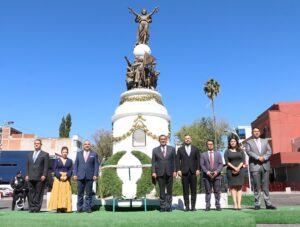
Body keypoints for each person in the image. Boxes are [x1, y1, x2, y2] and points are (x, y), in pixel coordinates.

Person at [246, 128, 276, 210]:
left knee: (266, 186)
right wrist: (258, 157)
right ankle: (257, 204)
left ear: (259, 133)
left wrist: (264, 157)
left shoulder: (265, 141)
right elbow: (248, 152)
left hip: (265, 165)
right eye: (254, 132)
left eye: (258, 131)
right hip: (255, 166)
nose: (256, 133)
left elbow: (269, 151)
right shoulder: (249, 142)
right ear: (252, 133)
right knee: (256, 186)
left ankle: (268, 204)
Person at [73, 140, 100, 213]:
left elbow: (96, 166)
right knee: (80, 193)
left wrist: (95, 174)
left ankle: (88, 208)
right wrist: (75, 174)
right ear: (83, 145)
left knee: (89, 193)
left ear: (90, 145)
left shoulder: (94, 154)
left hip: (90, 176)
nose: (87, 145)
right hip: (80, 176)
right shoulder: (78, 154)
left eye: (88, 144)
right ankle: (79, 208)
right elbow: (75, 165)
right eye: (85, 144)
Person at [151, 135, 176, 212]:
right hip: (160, 172)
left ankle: (168, 206)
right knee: (161, 190)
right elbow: (153, 162)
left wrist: (175, 171)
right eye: (161, 139)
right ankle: (162, 206)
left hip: (170, 172)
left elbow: (174, 161)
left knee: (169, 190)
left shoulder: (172, 149)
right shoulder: (155, 150)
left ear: (166, 140)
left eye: (164, 139)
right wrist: (153, 172)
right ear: (159, 140)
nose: (163, 140)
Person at [176, 135, 200, 211]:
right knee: (185, 190)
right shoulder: (180, 149)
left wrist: (198, 169)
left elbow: (198, 160)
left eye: (188, 138)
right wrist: (178, 170)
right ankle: (187, 206)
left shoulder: (195, 149)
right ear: (184, 140)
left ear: (191, 139)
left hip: (193, 172)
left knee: (194, 190)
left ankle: (193, 207)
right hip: (184, 172)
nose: (187, 140)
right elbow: (177, 160)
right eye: (186, 138)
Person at [25, 139, 49, 213]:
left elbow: (46, 166)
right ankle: (32, 207)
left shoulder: (45, 154)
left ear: (41, 145)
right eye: (35, 143)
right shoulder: (29, 155)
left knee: (39, 193)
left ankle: (37, 208)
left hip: (40, 177)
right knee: (31, 193)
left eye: (38, 143)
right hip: (30, 177)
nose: (36, 144)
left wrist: (44, 175)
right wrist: (26, 175)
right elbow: (27, 166)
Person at [200, 139, 223, 211]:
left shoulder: (218, 154)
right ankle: (207, 206)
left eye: (211, 144)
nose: (210, 145)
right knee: (208, 191)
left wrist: (217, 171)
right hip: (207, 176)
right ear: (207, 145)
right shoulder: (203, 154)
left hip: (217, 175)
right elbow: (202, 164)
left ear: (213, 145)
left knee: (217, 191)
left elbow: (221, 164)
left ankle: (218, 205)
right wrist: (207, 172)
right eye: (208, 144)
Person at [48, 146, 73, 213]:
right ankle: (58, 208)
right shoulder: (57, 160)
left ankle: (65, 208)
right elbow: (55, 169)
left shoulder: (70, 161)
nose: (65, 153)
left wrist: (67, 176)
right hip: (58, 179)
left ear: (67, 153)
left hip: (66, 180)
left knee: (65, 194)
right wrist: (59, 176)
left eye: (66, 152)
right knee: (58, 193)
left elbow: (71, 170)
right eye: (63, 152)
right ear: (61, 152)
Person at [224, 136, 245, 210]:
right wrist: (234, 168)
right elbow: (227, 162)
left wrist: (238, 168)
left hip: (240, 171)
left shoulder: (241, 151)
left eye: (234, 141)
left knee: (239, 187)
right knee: (233, 188)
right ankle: (235, 205)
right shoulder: (227, 151)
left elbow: (243, 160)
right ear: (229, 143)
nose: (233, 142)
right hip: (230, 171)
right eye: (231, 141)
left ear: (237, 142)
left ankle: (239, 205)